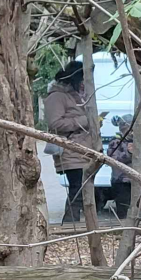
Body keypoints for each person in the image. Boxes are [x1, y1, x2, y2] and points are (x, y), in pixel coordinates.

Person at [42, 60, 100, 223]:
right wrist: (85, 120)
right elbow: (55, 124)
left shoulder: (78, 95)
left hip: (85, 151)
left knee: (84, 191)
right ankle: (69, 224)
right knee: (78, 190)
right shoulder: (56, 97)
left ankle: (77, 223)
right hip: (70, 151)